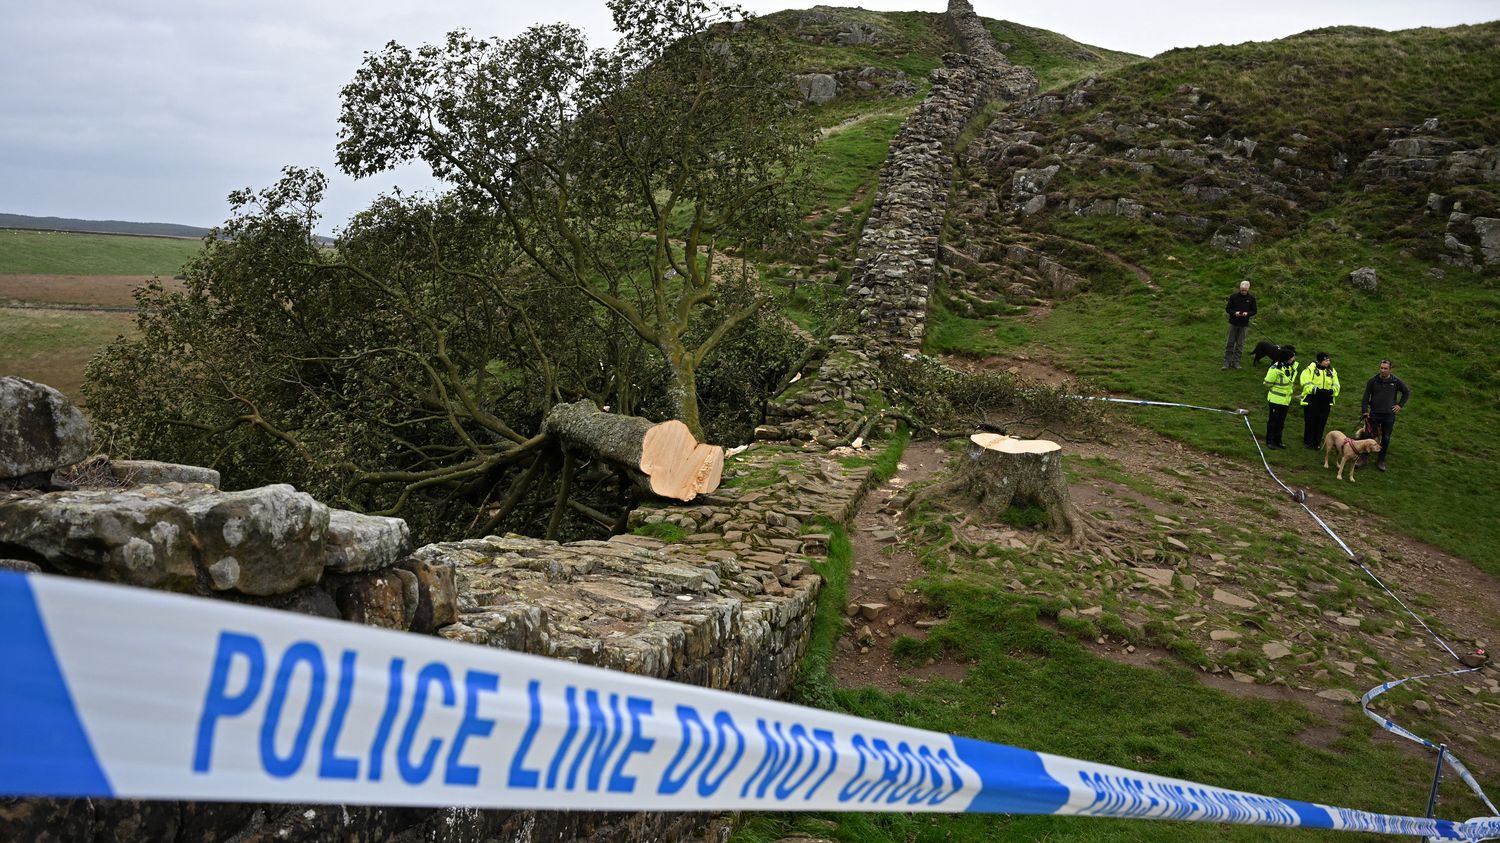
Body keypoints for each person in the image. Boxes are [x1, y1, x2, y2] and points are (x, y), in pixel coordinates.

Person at [1361, 359, 1410, 472]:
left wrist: (1400, 405)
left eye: (1385, 368)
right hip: (1374, 414)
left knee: (1386, 438)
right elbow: (1365, 397)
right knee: (1368, 435)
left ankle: (1381, 460)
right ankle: (1363, 458)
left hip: (1389, 415)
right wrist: (1364, 411)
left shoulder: (1396, 381)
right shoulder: (1372, 381)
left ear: (1390, 369)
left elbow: (1406, 392)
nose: (1382, 370)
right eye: (1381, 368)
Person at [1299, 351, 1340, 449]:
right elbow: (1305, 384)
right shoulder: (1309, 370)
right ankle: (1308, 442)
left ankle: (1317, 443)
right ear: (1319, 361)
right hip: (1312, 399)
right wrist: (1317, 390)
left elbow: (1337, 385)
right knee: (1311, 421)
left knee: (1321, 422)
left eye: (1328, 360)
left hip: (1326, 400)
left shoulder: (1331, 371)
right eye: (1325, 360)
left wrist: (1331, 391)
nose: (1328, 362)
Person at [1263, 350, 1296, 449]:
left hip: (1285, 401)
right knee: (1273, 421)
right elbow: (1267, 382)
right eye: (1292, 357)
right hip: (1275, 400)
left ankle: (1278, 440)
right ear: (1287, 358)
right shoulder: (1275, 368)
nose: (1294, 359)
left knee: (1281, 422)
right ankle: (1269, 441)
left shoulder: (1289, 367)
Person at [1222, 280, 1257, 370]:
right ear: (1240, 288)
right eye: (1242, 290)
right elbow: (1228, 309)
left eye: (1245, 290)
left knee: (1240, 344)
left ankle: (1236, 362)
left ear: (1248, 289)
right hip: (1233, 323)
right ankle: (1226, 362)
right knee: (1230, 343)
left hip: (1244, 324)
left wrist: (1247, 314)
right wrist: (1235, 313)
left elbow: (1254, 311)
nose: (1243, 291)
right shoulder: (1233, 297)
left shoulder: (1251, 299)